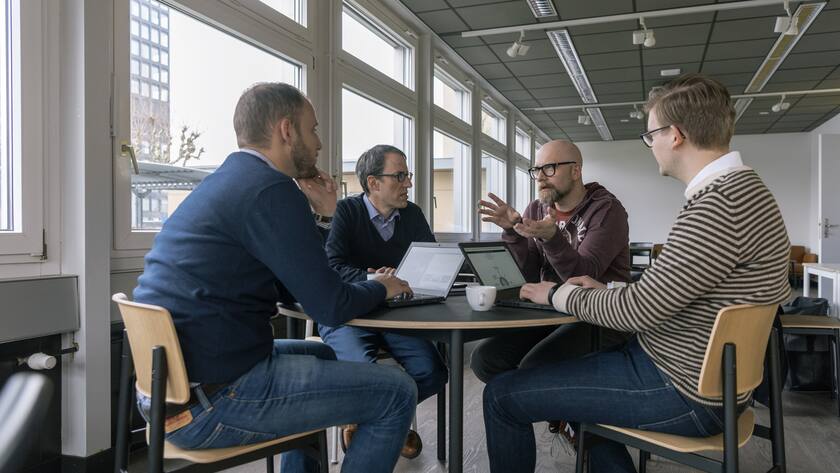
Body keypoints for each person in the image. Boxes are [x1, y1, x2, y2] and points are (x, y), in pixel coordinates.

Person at [482, 73, 791, 473]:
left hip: (681, 387)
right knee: (559, 376)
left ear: (675, 135)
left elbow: (638, 312)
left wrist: (554, 294)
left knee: (502, 397)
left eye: (651, 136)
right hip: (704, 378)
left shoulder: (718, 206)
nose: (652, 147)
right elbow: (668, 292)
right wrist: (607, 288)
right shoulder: (745, 191)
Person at [133, 83, 418, 473]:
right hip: (212, 402)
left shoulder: (230, 181)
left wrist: (321, 216)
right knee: (398, 392)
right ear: (287, 131)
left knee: (324, 353)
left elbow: (293, 281)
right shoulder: (272, 190)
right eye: (313, 129)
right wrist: (381, 286)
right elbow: (330, 306)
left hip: (168, 391)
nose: (318, 144)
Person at [321, 144, 448, 458]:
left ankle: (374, 420)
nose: (408, 183)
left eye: (408, 175)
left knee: (433, 371)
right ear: (374, 183)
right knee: (366, 374)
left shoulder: (413, 214)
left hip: (395, 315)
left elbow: (430, 261)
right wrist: (374, 279)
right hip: (347, 314)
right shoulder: (346, 212)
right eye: (400, 176)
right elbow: (332, 267)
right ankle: (390, 422)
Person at [470, 139, 631, 383]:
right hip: (550, 311)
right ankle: (533, 405)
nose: (540, 177)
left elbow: (586, 276)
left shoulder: (607, 210)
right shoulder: (536, 209)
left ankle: (556, 406)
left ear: (575, 171)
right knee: (486, 359)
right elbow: (527, 275)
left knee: (534, 367)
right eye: (536, 170)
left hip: (596, 316)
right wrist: (512, 233)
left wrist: (553, 238)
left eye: (550, 168)